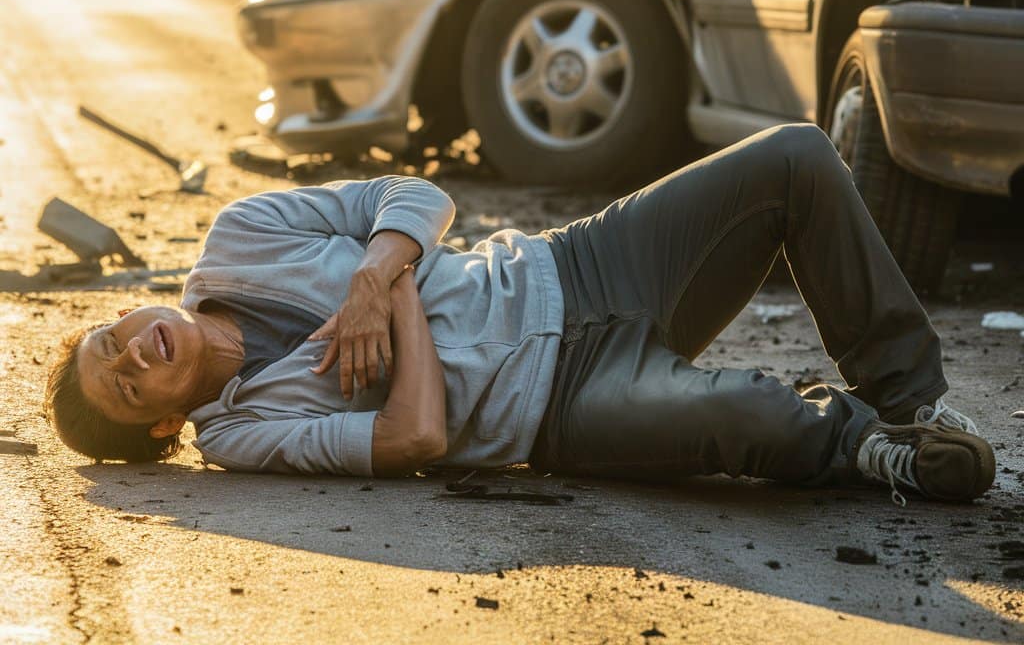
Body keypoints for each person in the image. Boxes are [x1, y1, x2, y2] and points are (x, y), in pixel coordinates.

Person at [46, 124, 995, 505]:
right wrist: (404, 289)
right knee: (749, 417)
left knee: (793, 158)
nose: (133, 352)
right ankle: (868, 448)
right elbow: (416, 436)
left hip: (571, 264)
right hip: (560, 406)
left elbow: (413, 192)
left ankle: (909, 403)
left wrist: (377, 276)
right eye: (128, 385)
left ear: (125, 313)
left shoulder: (240, 234)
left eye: (110, 340)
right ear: (167, 424)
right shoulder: (241, 434)